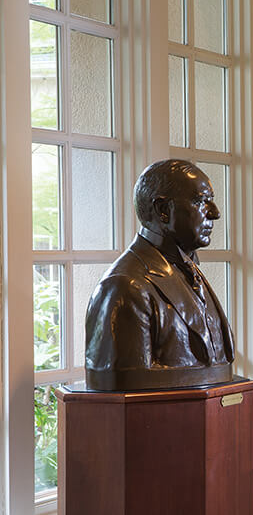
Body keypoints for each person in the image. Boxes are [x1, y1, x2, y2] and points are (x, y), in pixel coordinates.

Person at [84, 159, 234, 390]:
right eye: (201, 202)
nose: (215, 213)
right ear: (163, 210)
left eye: (211, 201)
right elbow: (125, 396)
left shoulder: (189, 271)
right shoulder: (125, 287)